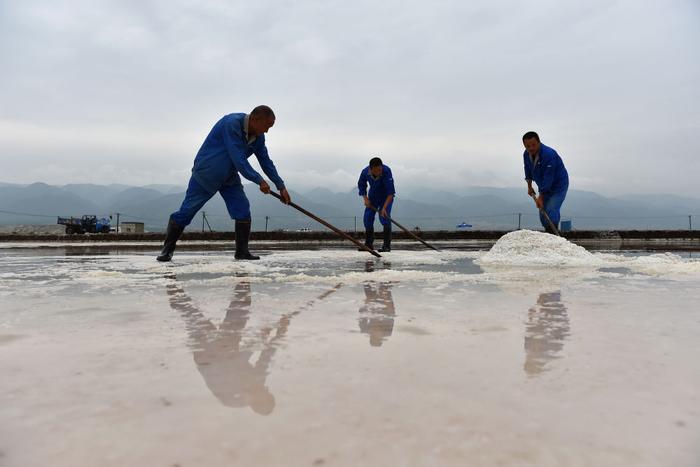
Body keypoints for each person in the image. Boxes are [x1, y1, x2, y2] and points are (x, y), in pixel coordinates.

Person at [157, 105, 291, 262]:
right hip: (207, 173)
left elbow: (266, 161)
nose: (267, 131)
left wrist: (280, 186)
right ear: (255, 119)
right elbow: (238, 158)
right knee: (187, 211)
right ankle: (167, 251)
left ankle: (242, 252)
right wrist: (259, 180)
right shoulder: (232, 124)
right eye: (266, 126)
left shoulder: (258, 137)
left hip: (229, 176)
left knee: (242, 209)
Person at [522, 132, 569, 233]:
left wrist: (541, 196)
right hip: (543, 185)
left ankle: (554, 235)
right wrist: (529, 186)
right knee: (543, 213)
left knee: (551, 209)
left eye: (533, 145)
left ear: (539, 142)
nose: (531, 148)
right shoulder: (526, 154)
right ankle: (548, 233)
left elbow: (549, 177)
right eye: (527, 146)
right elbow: (527, 169)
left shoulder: (549, 155)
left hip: (558, 185)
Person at [357, 157, 395, 252]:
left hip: (385, 198)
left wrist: (384, 208)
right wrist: (365, 199)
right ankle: (368, 244)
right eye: (376, 170)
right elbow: (361, 185)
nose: (379, 172)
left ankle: (386, 246)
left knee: (384, 218)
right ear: (371, 169)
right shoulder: (365, 172)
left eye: (380, 170)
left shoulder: (386, 171)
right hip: (373, 197)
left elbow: (391, 193)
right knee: (367, 218)